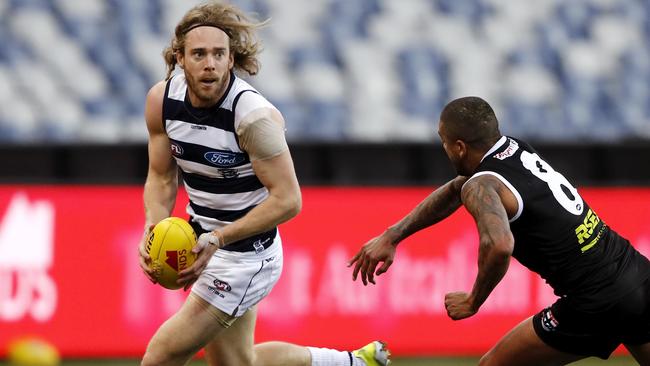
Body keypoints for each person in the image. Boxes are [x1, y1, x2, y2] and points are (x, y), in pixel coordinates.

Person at [136, 3, 390, 366]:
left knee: (159, 356)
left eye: (218, 54)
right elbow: (161, 177)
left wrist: (219, 239)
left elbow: (289, 200)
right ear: (180, 58)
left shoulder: (252, 117)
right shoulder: (161, 101)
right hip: (201, 241)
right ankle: (353, 362)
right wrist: (152, 226)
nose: (209, 63)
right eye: (199, 54)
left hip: (246, 257)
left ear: (230, 59)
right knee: (239, 362)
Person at [349, 96, 650, 365]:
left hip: (595, 299)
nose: (443, 148)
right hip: (637, 274)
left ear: (459, 147)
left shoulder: (483, 185)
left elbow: (499, 245)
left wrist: (473, 301)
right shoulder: (514, 148)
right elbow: (457, 189)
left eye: (443, 141)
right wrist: (392, 235)